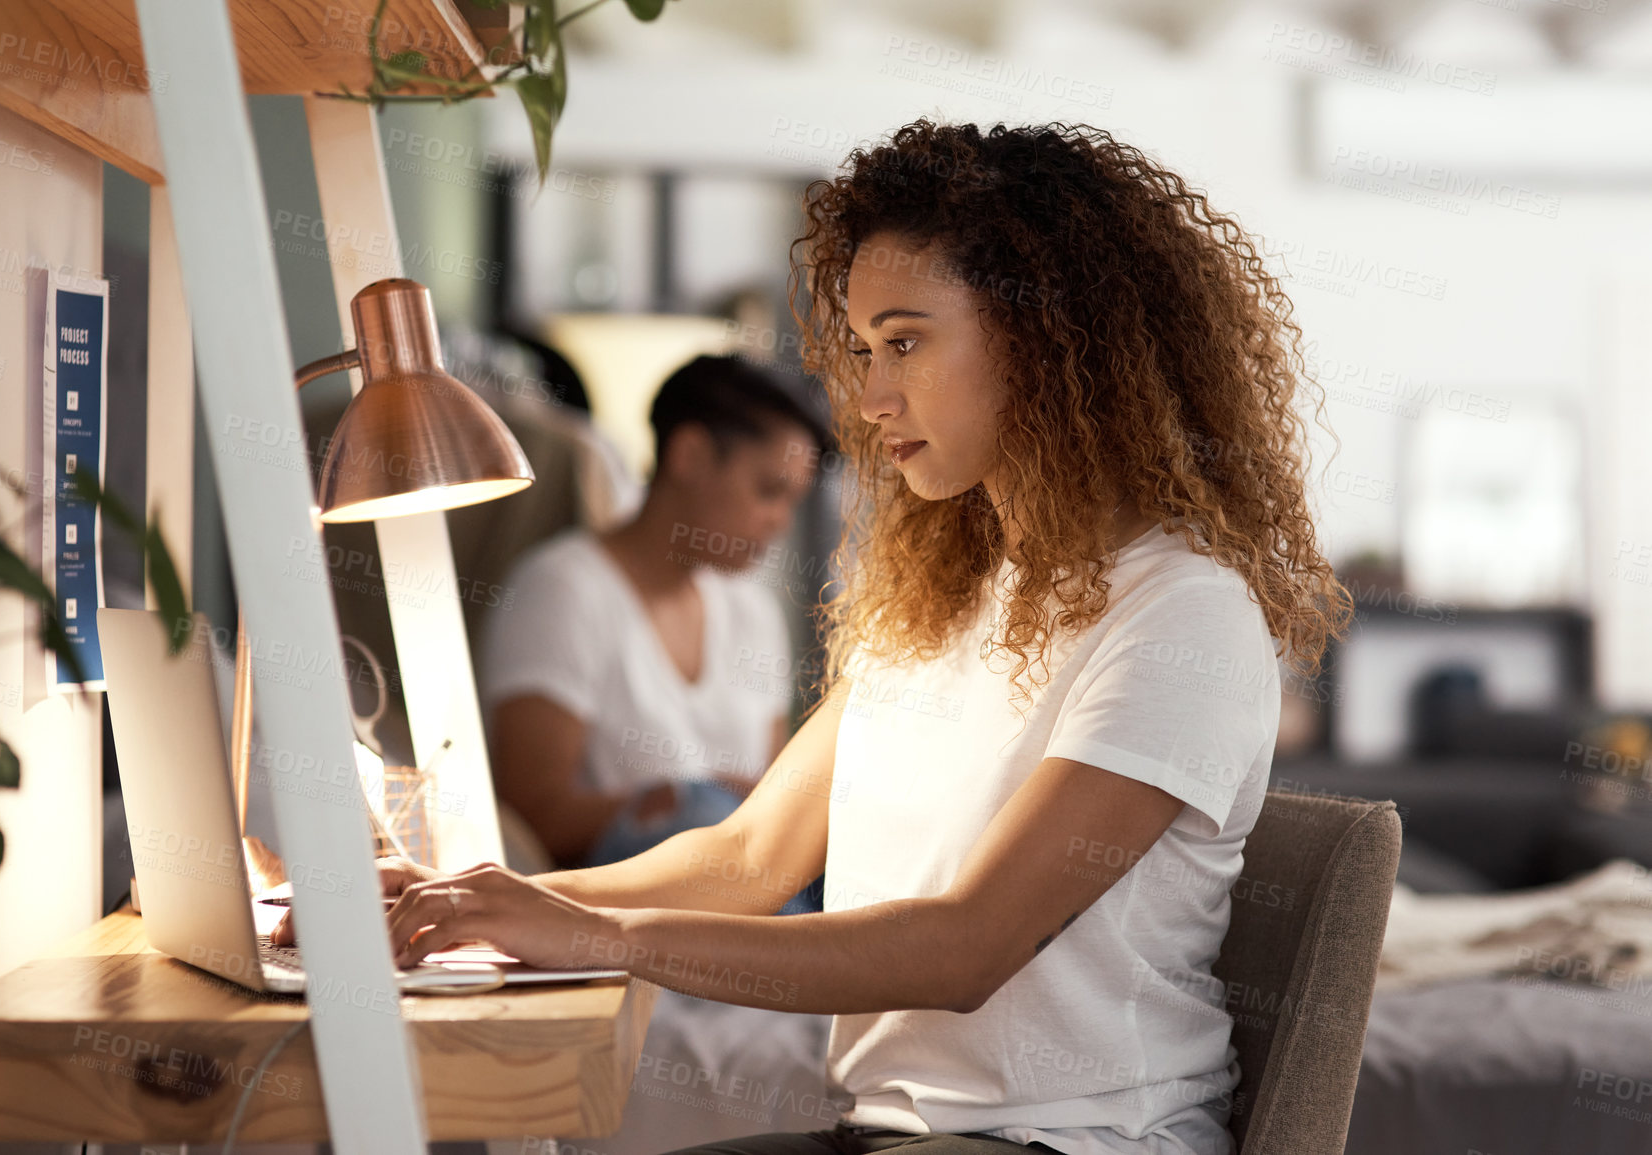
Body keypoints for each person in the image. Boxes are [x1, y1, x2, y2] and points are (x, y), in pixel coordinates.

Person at [278, 119, 1350, 1155]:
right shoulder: (949, 596)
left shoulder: (1182, 611)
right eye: (860, 349)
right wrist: (471, 897)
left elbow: (964, 950)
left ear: (1042, 337)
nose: (871, 399)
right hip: (886, 1131)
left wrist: (595, 937)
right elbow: (747, 859)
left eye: (905, 344)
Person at [478, 353, 832, 878]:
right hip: (612, 904)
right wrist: (694, 800)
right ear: (688, 455)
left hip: (740, 897)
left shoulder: (753, 613)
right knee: (705, 812)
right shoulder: (563, 590)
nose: (779, 522)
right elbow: (533, 815)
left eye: (792, 502)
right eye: (767, 491)